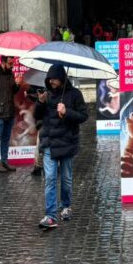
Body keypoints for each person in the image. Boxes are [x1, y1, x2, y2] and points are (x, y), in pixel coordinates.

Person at [35, 64, 88, 229]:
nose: (52, 82)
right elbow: (37, 116)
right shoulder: (47, 95)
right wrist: (40, 103)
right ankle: (50, 216)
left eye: (55, 79)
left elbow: (83, 116)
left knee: (66, 179)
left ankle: (66, 206)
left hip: (67, 143)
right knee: (50, 179)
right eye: (50, 79)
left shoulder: (74, 94)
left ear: (62, 78)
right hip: (50, 143)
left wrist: (67, 112)